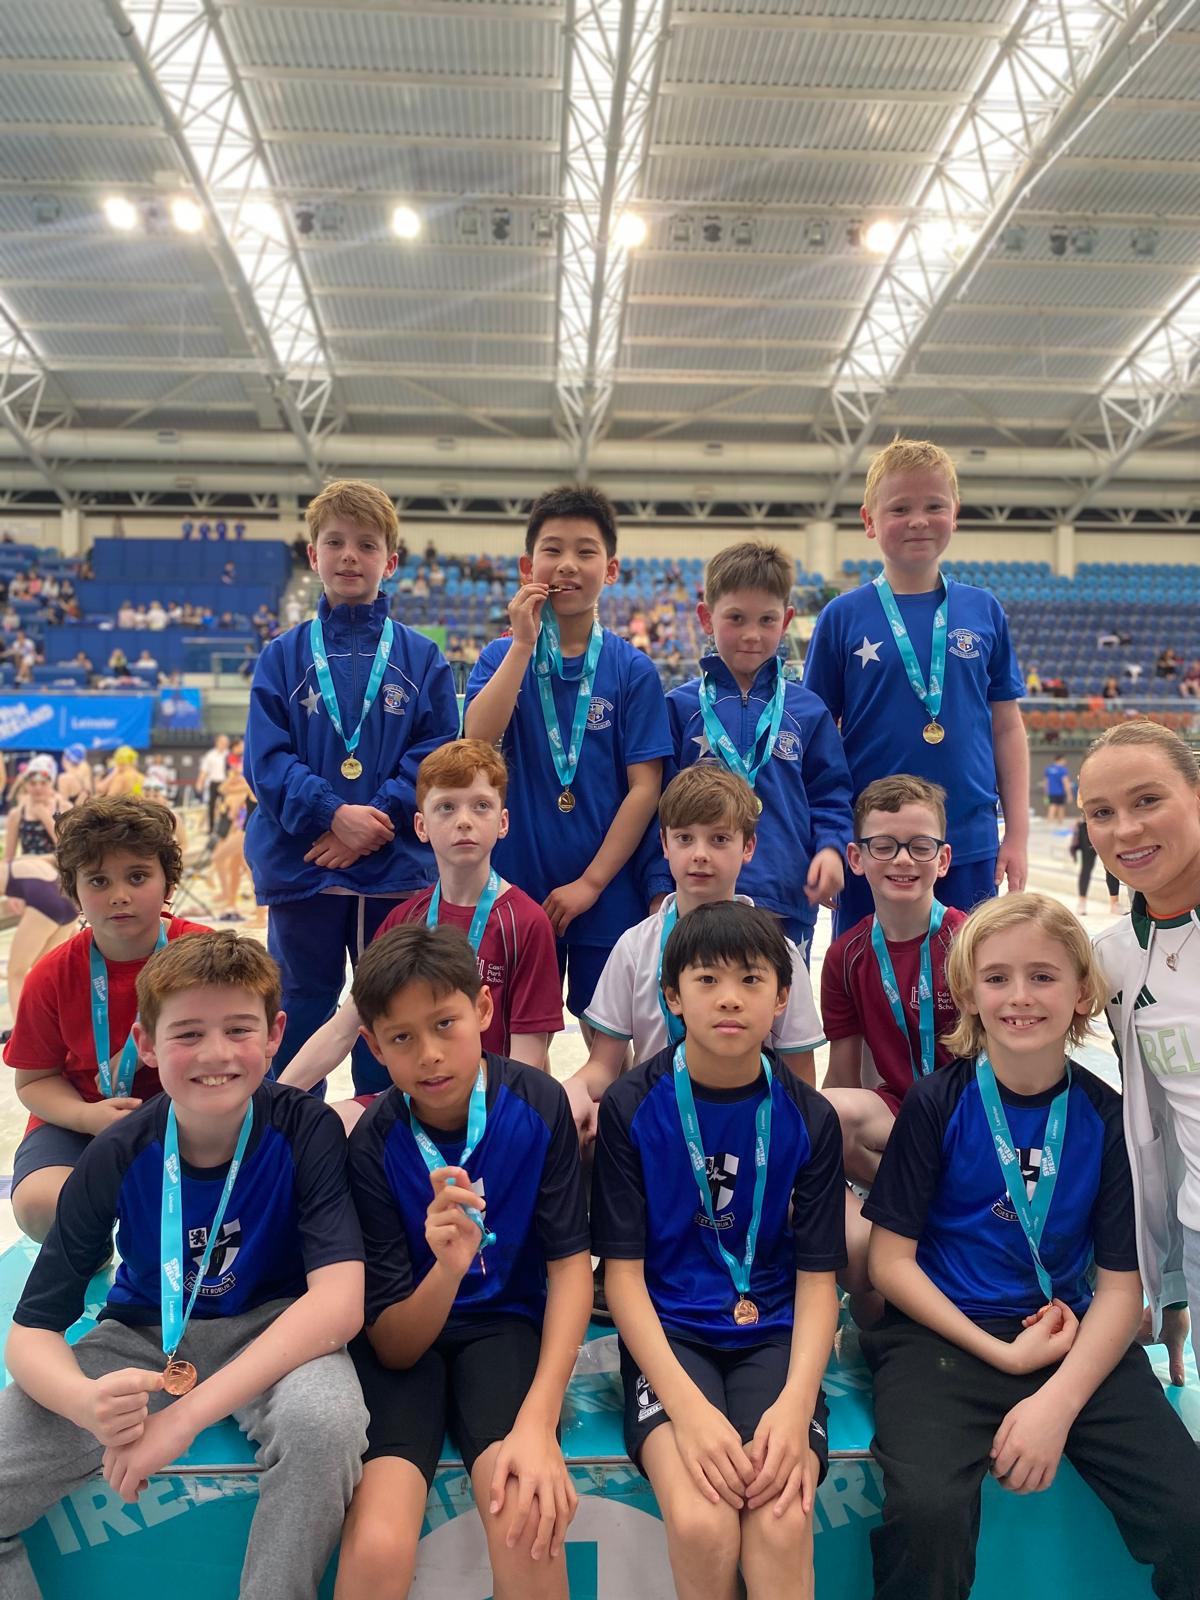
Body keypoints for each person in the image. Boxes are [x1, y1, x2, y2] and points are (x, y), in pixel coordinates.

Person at [0, 931, 368, 1598]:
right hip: (144, 1334)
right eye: (189, 1033)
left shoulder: (305, 1129)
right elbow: (30, 1335)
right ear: (145, 1043)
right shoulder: (117, 1150)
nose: (217, 1054)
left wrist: (181, 1419)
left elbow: (338, 1305)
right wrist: (86, 1402)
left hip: (276, 1332)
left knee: (326, 1426)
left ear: (276, 1033)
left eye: (238, 1029)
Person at [860, 892, 1200, 1598]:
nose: (1020, 997)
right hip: (942, 1339)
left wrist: (1057, 1403)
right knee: (927, 1512)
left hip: (1073, 1332)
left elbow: (1118, 1289)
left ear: (1082, 995)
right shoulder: (936, 1103)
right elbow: (890, 1264)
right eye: (998, 978)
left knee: (1190, 1512)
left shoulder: (1107, 1119)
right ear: (969, 995)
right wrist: (1003, 1356)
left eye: (1043, 977)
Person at [591, 901, 844, 1600]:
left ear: (782, 997)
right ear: (672, 997)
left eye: (751, 980)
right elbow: (624, 1280)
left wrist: (796, 1408)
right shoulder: (631, 1108)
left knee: (781, 1520)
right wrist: (690, 1411)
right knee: (704, 1522)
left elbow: (821, 1283)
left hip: (773, 1338)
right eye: (706, 980)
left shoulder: (810, 1118)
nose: (730, 997)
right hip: (670, 1340)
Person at [335, 924, 590, 1600]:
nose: (430, 1055)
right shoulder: (373, 1146)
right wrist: (446, 1268)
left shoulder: (538, 1106)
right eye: (402, 1038)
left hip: (504, 1330)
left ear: (482, 1009)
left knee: (525, 1523)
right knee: (379, 1543)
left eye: (445, 1023)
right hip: (408, 1349)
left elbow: (570, 1269)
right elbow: (391, 1345)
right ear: (373, 1049)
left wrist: (538, 1423)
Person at [244, 479, 459, 1090]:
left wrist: (370, 824)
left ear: (389, 562)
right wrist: (333, 814)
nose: (348, 556)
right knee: (298, 1005)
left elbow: (437, 753)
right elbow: (265, 759)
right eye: (334, 542)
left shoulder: (422, 659)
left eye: (366, 545)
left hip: (392, 865)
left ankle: (383, 1132)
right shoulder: (281, 657)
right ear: (312, 555)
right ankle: (290, 1131)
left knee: (393, 1007)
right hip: (304, 862)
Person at [464, 486, 672, 1024]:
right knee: (507, 1034)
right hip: (515, 885)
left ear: (612, 570)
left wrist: (592, 884)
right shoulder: (500, 656)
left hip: (606, 890)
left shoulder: (633, 670)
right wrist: (522, 644)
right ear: (527, 565)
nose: (568, 565)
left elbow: (646, 788)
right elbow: (476, 743)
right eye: (553, 550)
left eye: (586, 552)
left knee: (610, 1037)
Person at [803, 438, 1028, 936]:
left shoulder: (983, 610)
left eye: (934, 506)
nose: (919, 520)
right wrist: (825, 838)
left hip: (965, 839)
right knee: (864, 975)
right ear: (869, 520)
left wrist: (1016, 834)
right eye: (900, 508)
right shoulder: (842, 617)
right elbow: (814, 741)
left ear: (956, 513)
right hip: (871, 844)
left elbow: (1007, 729)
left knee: (966, 981)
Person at [281, 739, 564, 1119]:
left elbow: (528, 1061)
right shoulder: (404, 919)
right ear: (421, 826)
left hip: (493, 1108)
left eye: (481, 806)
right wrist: (273, 1099)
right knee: (328, 1127)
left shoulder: (526, 922)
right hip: (414, 1105)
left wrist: (491, 1130)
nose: (464, 819)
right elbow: (342, 1030)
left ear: (503, 822)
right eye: (446, 807)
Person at [565, 765, 824, 1143]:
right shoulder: (635, 947)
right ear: (665, 845)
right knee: (575, 1125)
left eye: (719, 839)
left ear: (748, 847)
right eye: (685, 839)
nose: (700, 854)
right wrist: (571, 1090)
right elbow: (602, 1068)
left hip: (752, 1126)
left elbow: (801, 1078)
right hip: (661, 1122)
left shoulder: (776, 951)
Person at [2, 796, 209, 1243]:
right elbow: (34, 1082)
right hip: (83, 1113)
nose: (119, 895)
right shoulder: (51, 975)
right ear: (73, 890)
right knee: (43, 1205)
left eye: (137, 876)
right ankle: (89, 1247)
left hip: (191, 1112)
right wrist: (85, 1117)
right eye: (98, 880)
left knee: (202, 1210)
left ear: (167, 882)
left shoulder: (206, 957)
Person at [649, 541, 852, 962]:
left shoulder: (808, 711)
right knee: (701, 1014)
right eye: (736, 618)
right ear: (707, 617)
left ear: (787, 621)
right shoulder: (680, 708)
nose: (752, 634)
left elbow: (830, 794)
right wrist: (657, 885)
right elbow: (659, 808)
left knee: (778, 1015)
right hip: (696, 898)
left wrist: (831, 849)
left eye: (767, 620)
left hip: (784, 899)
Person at [1078, 720, 1200, 1387]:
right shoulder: (1114, 960)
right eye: (1103, 813)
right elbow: (1158, 1126)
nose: (1124, 830)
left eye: (1147, 801)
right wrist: (1171, 1279)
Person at [820, 775, 967, 1322]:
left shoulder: (973, 941)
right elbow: (841, 1074)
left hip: (973, 1116)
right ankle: (904, 1215)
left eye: (919, 845)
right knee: (823, 1115)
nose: (902, 859)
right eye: (884, 845)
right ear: (857, 858)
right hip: (898, 1115)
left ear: (944, 858)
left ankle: (936, 1205)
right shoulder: (846, 955)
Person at [2, 756, 77, 1017]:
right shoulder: (17, 813)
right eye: (31, 781)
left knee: (38, 966)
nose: (36, 787)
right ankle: (39, 1021)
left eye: (42, 780)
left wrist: (47, 817)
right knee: (38, 965)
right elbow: (9, 857)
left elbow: (70, 850)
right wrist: (16, 891)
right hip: (34, 887)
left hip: (63, 888)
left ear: (50, 781)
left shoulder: (62, 807)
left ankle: (27, 1026)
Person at [1069, 812, 1120, 916]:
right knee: (1086, 867)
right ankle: (1082, 902)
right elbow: (1081, 803)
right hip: (1088, 826)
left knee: (1111, 867)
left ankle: (1114, 904)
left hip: (1106, 825)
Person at [195, 731, 230, 836]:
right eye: (223, 742)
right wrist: (199, 783)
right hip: (214, 783)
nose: (224, 744)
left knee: (226, 806)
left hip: (226, 784)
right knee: (211, 806)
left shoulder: (229, 754)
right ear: (217, 742)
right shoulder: (210, 755)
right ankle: (210, 829)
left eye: (226, 742)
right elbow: (204, 771)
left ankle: (224, 829)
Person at [56, 743, 93, 808]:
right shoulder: (86, 772)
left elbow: (63, 807)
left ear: (65, 758)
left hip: (73, 815)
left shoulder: (65, 778)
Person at [1043, 757, 1072, 823]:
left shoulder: (1048, 769)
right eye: (1064, 760)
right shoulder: (1062, 770)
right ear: (1060, 760)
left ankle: (1049, 823)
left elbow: (1046, 782)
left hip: (1051, 792)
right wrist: (1069, 794)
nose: (1065, 762)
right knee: (1061, 807)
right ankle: (1060, 823)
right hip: (1060, 792)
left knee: (1052, 807)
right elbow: (1065, 782)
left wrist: (1045, 792)